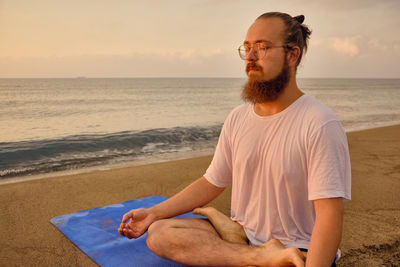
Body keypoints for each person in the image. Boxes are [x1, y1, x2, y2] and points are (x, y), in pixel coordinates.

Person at [119, 12, 351, 267]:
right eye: (247, 47)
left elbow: (329, 217)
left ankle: (261, 254)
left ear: (292, 55)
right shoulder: (238, 118)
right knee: (160, 234)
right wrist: (153, 213)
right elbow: (212, 182)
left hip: (295, 251)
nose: (250, 57)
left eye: (262, 47)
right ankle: (258, 256)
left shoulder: (318, 122)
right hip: (242, 240)